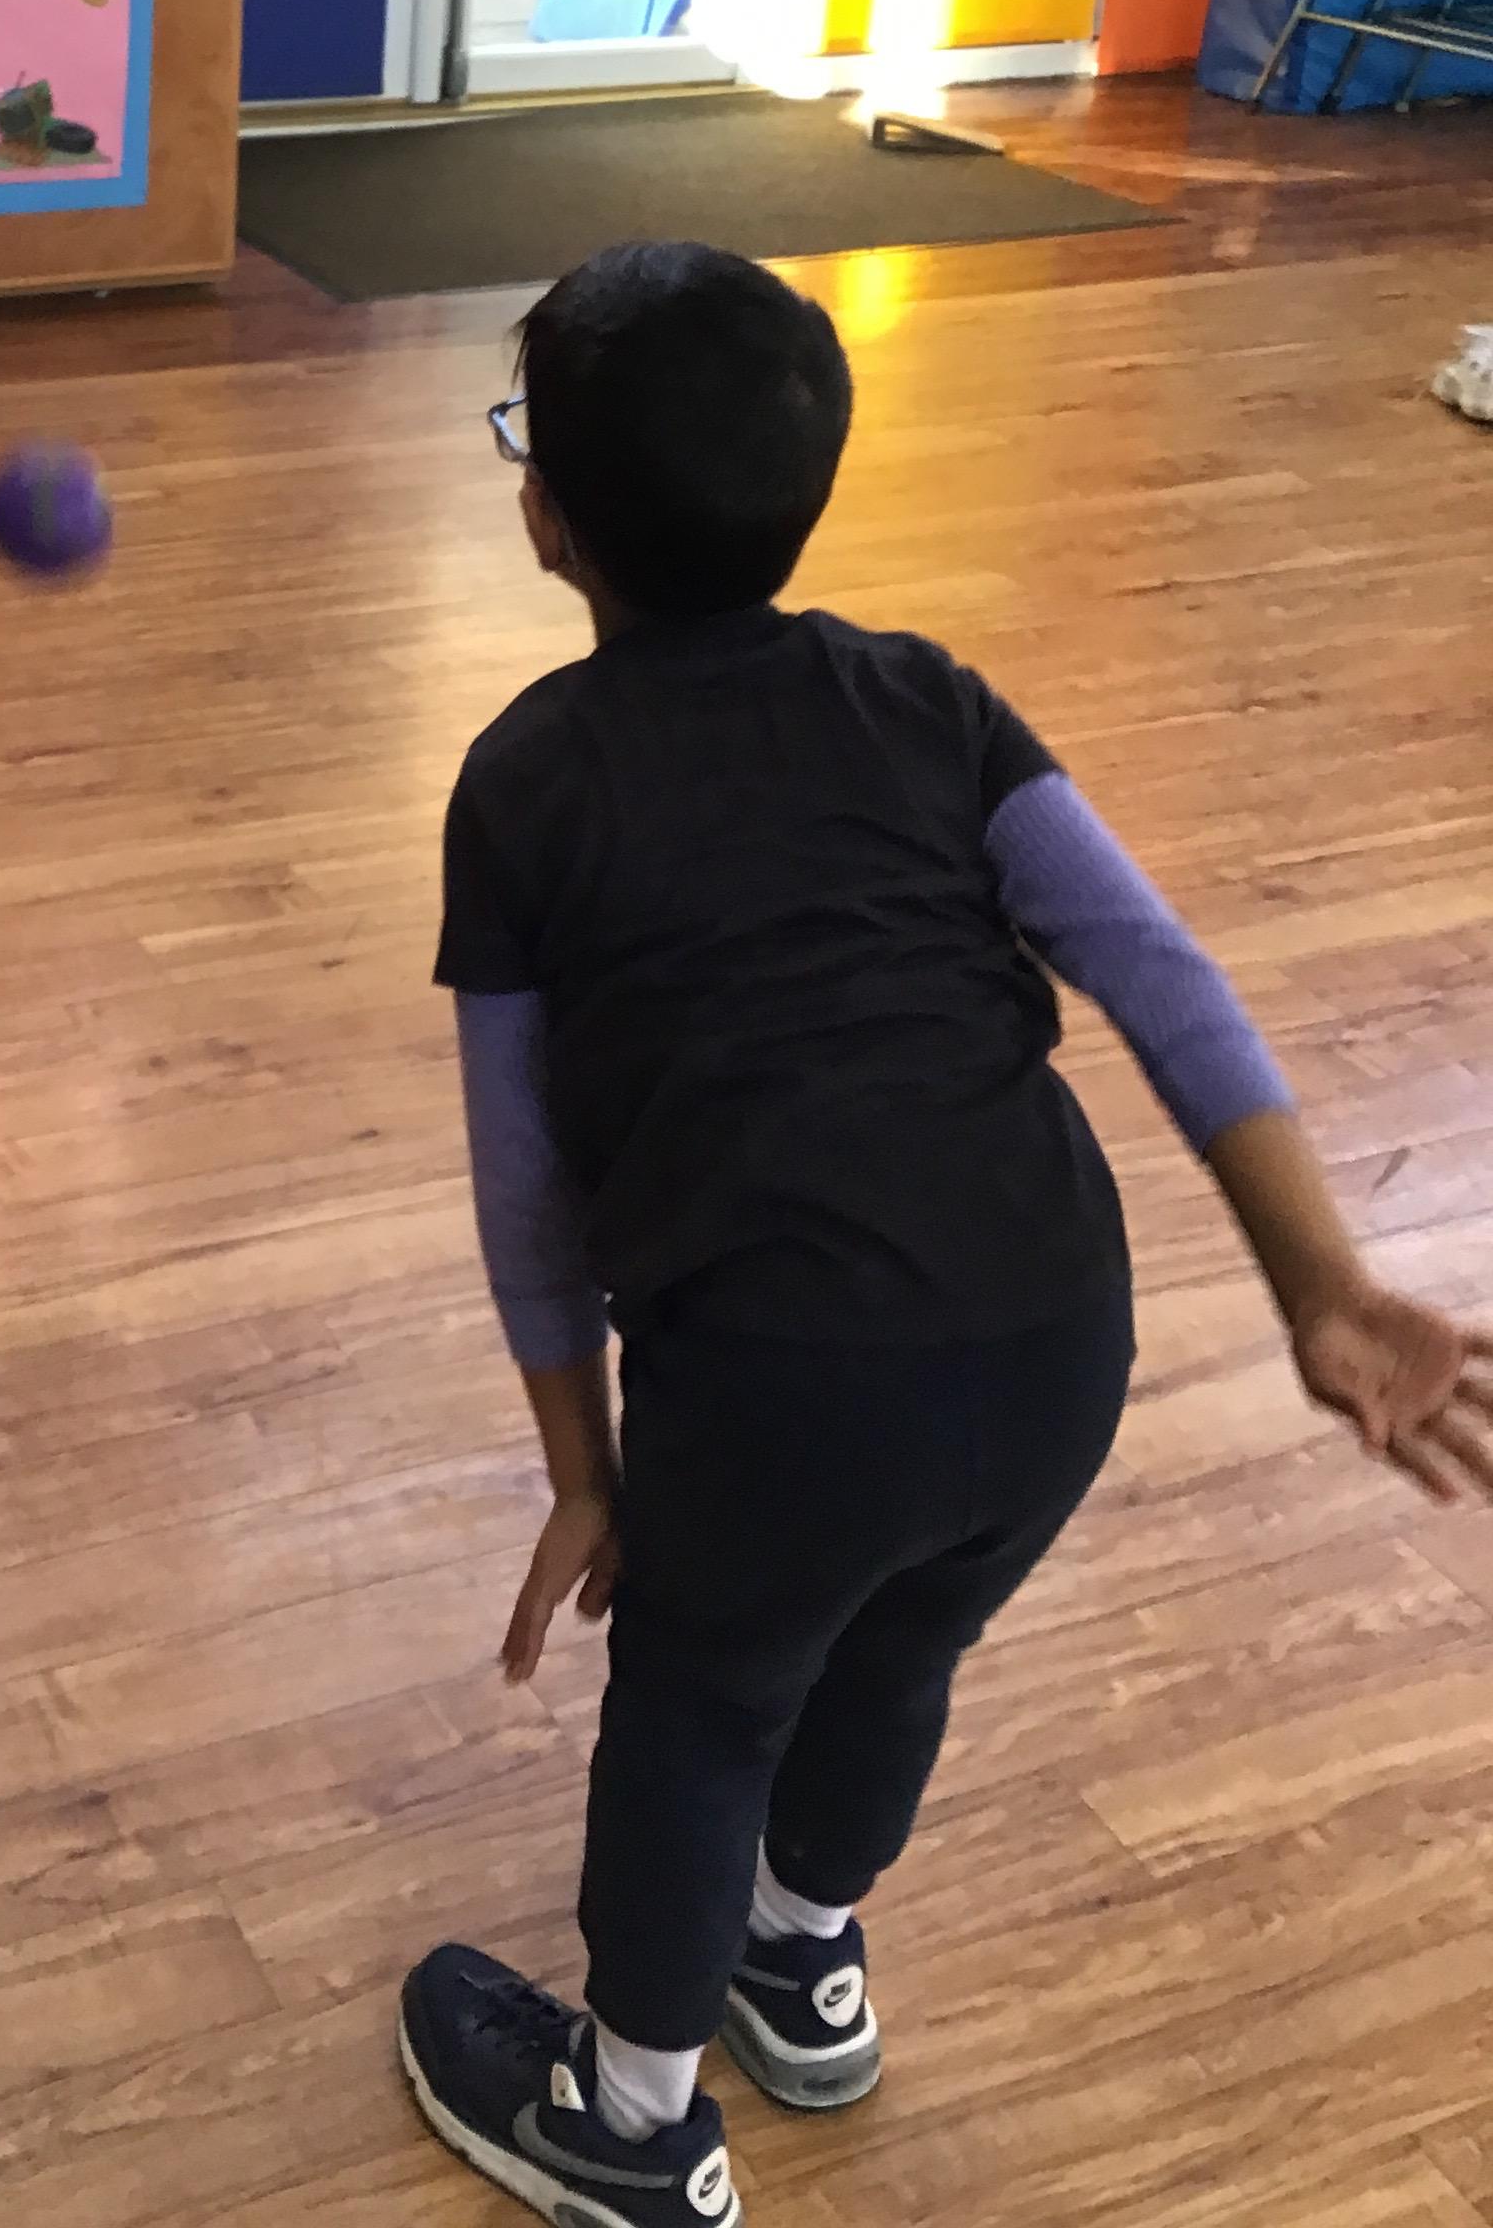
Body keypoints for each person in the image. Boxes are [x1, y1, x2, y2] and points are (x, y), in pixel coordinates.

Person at [399, 243, 1493, 2228]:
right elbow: (1162, 979)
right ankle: (799, 1954)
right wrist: (1320, 1283)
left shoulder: (524, 781)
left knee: (703, 1705)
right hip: (1058, 1325)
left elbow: (524, 1187)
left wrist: (584, 1468)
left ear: (546, 515)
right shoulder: (928, 700)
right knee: (906, 1634)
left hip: (784, 1378)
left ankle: (629, 2122)